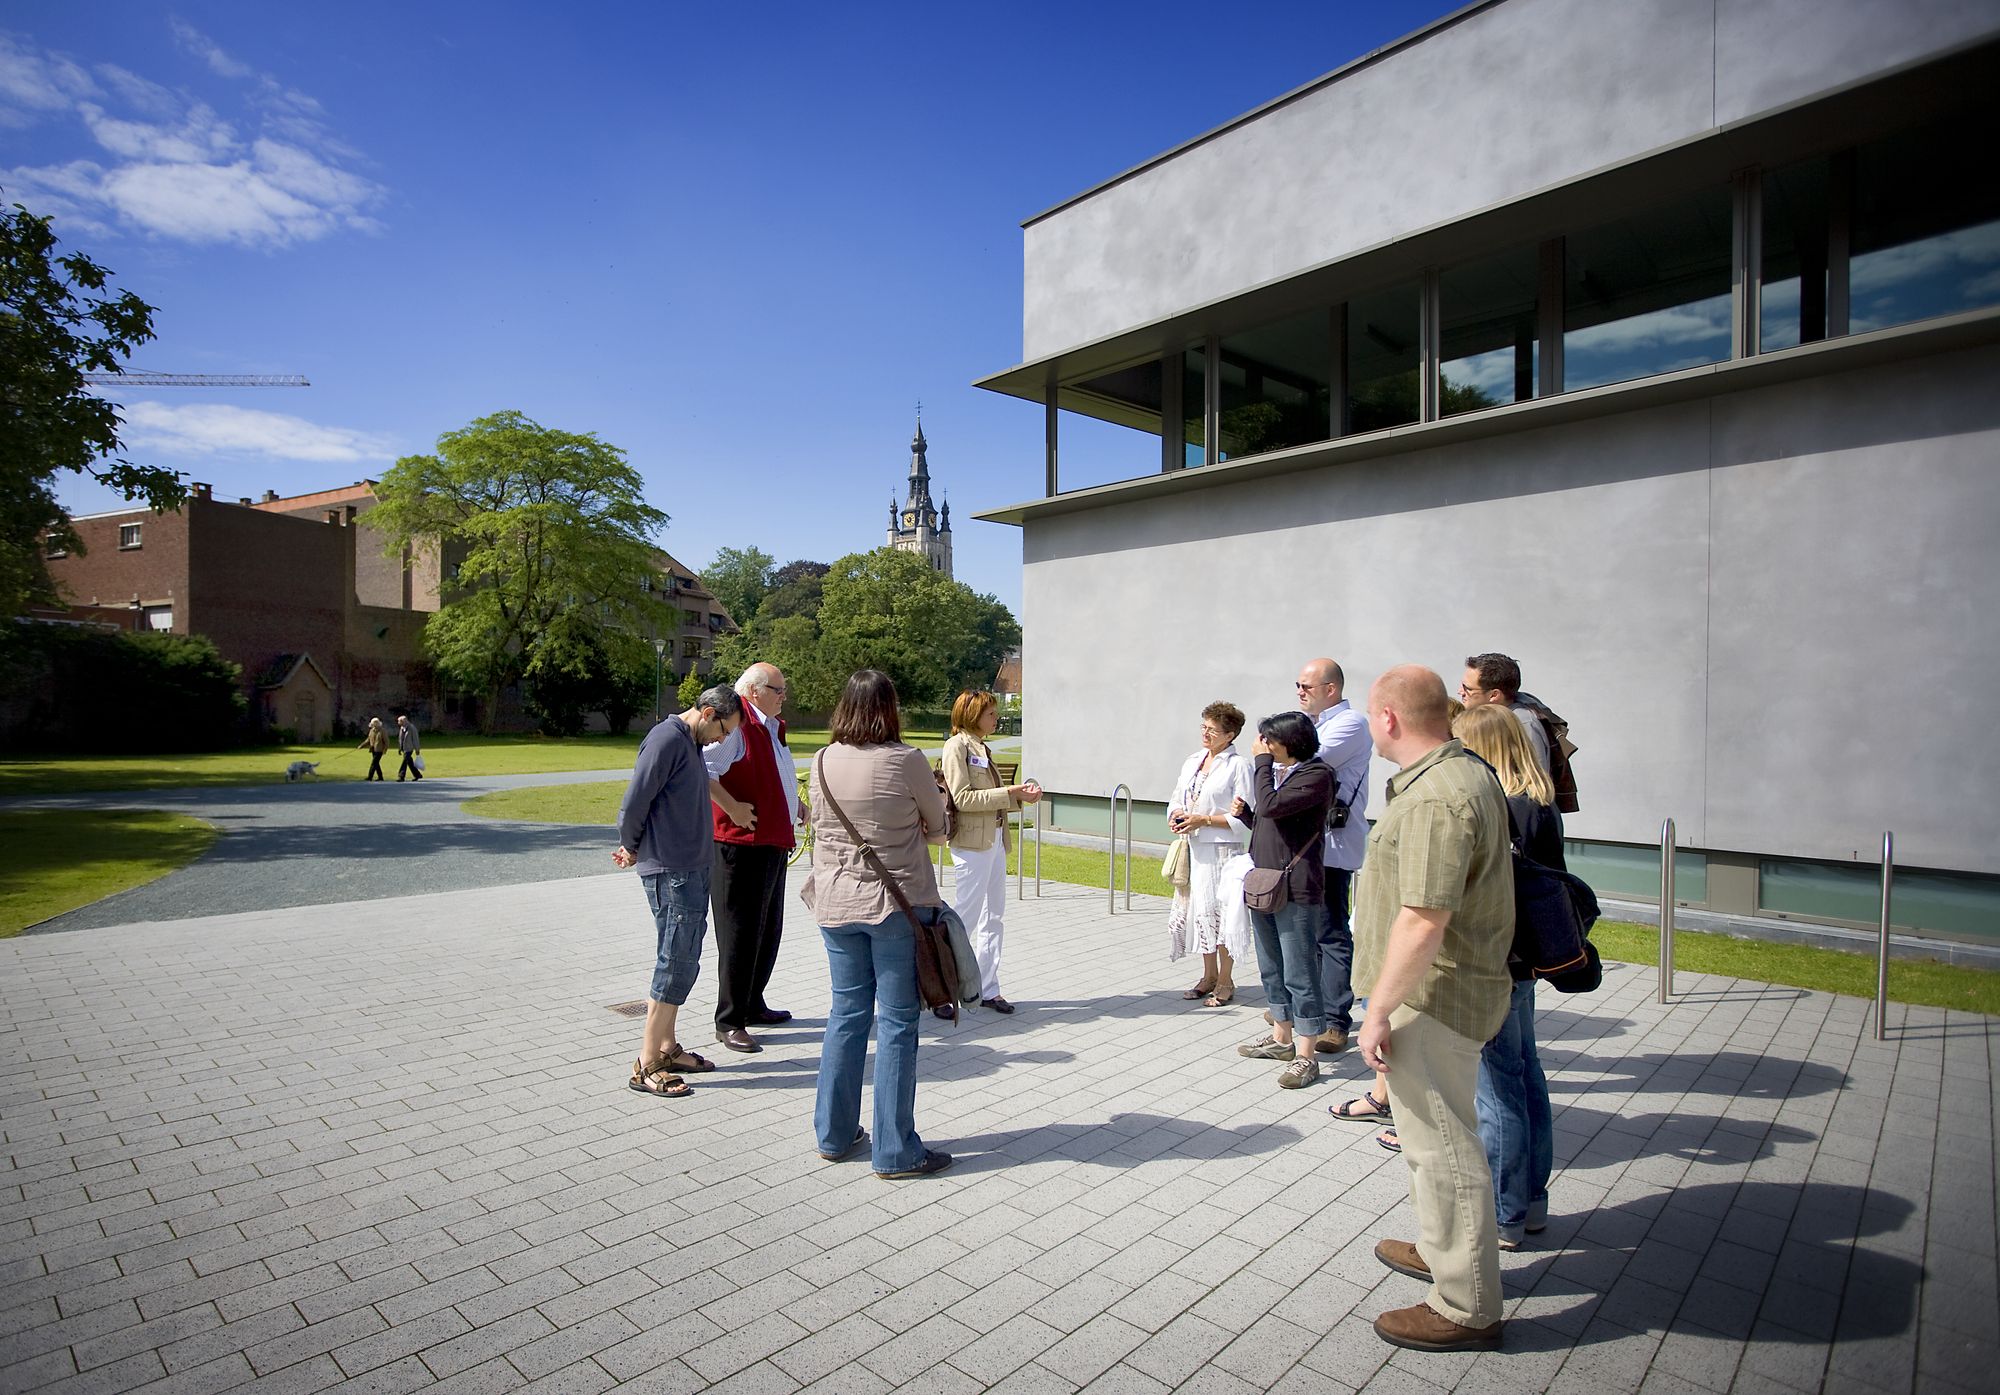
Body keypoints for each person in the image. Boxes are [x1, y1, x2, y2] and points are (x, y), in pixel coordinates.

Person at [1354, 666, 1515, 1352]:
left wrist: (1377, 1010)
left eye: (1371, 714)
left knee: (1444, 1147)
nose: (1370, 725)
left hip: (1432, 998)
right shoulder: (1457, 774)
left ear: (1390, 718)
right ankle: (1441, 1246)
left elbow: (1424, 919)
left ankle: (1466, 1303)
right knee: (1429, 1144)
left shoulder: (1434, 798)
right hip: (1442, 991)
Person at [808, 669, 954, 1179]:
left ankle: (833, 1132)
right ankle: (895, 1150)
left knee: (846, 1014)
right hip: (896, 905)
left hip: (834, 899)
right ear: (890, 708)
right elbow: (939, 829)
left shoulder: (822, 758)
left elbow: (818, 824)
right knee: (896, 1023)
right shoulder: (907, 760)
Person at [1455, 702, 1559, 1250]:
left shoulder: (1501, 807)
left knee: (1497, 1090)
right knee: (1527, 1074)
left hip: (1497, 959)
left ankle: (1504, 1213)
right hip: (1528, 960)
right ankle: (1532, 1202)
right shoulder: (1539, 805)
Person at [614, 686, 745, 1099]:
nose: (723, 740)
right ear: (707, 713)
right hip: (671, 869)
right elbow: (636, 799)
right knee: (674, 960)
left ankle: (668, 1047)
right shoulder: (667, 739)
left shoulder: (688, 742)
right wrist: (631, 844)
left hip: (689, 867)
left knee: (684, 958)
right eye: (724, 730)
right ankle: (647, 1062)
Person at [703, 662, 808, 1053]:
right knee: (739, 934)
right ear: (753, 691)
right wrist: (731, 808)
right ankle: (729, 1020)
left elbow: (774, 774)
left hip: (771, 843)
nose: (785, 696)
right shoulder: (737, 724)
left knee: (766, 930)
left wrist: (793, 804)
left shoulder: (769, 727)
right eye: (778, 689)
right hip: (740, 847)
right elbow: (703, 768)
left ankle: (752, 1002)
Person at [1228, 710, 1334, 1088]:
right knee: (1271, 966)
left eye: (1269, 740)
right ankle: (1281, 1039)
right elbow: (1271, 820)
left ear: (1290, 742)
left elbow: (1274, 806)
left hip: (1297, 888)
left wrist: (1260, 764)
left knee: (1299, 971)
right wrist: (1247, 818)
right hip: (1265, 883)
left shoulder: (1316, 775)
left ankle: (1307, 1054)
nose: (1264, 745)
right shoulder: (1281, 777)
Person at [940, 690, 1042, 1015]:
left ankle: (988, 986)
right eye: (991, 714)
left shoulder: (982, 747)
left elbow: (990, 797)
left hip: (995, 840)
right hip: (972, 844)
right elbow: (963, 799)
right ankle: (941, 989)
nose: (996, 719)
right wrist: (1008, 792)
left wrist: (1019, 798)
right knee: (965, 917)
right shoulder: (957, 746)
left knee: (994, 915)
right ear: (972, 714)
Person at [1296, 658, 1371, 1052]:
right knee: (1304, 932)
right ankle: (1307, 1010)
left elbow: (1305, 763)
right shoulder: (1311, 724)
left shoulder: (1351, 723)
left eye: (1306, 686)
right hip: (1306, 844)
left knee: (1330, 931)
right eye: (1298, 685)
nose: (1300, 692)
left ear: (1331, 689)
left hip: (1332, 845)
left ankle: (1336, 1020)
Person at [1166, 702, 1252, 1007]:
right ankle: (1208, 974)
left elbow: (1243, 818)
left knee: (1223, 915)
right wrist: (1177, 814)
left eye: (1212, 730)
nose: (1205, 733)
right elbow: (1177, 796)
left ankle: (1226, 980)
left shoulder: (1238, 766)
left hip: (1222, 852)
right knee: (1199, 912)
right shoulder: (1193, 761)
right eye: (1203, 726)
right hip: (1195, 848)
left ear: (1229, 735)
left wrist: (1204, 820)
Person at [1459, 653, 1550, 775]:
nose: (1460, 692)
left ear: (1494, 695)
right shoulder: (1484, 720)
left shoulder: (1524, 725)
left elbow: (1536, 786)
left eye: (1468, 688)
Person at [357, 717, 388, 781]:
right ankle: (380, 777)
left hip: (379, 750)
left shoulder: (382, 731)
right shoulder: (371, 731)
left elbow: (386, 741)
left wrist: (385, 749)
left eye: (374, 723)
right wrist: (361, 746)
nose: (373, 725)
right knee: (376, 764)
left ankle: (370, 777)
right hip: (373, 749)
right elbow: (368, 740)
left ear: (377, 723)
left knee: (374, 763)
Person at [394, 714, 422, 781]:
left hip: (409, 748)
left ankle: (401, 776)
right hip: (404, 748)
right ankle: (417, 774)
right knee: (410, 763)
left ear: (403, 721)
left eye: (399, 721)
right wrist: (400, 748)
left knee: (404, 762)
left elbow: (415, 739)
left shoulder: (412, 728)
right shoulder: (402, 728)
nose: (398, 723)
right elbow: (401, 739)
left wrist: (417, 749)